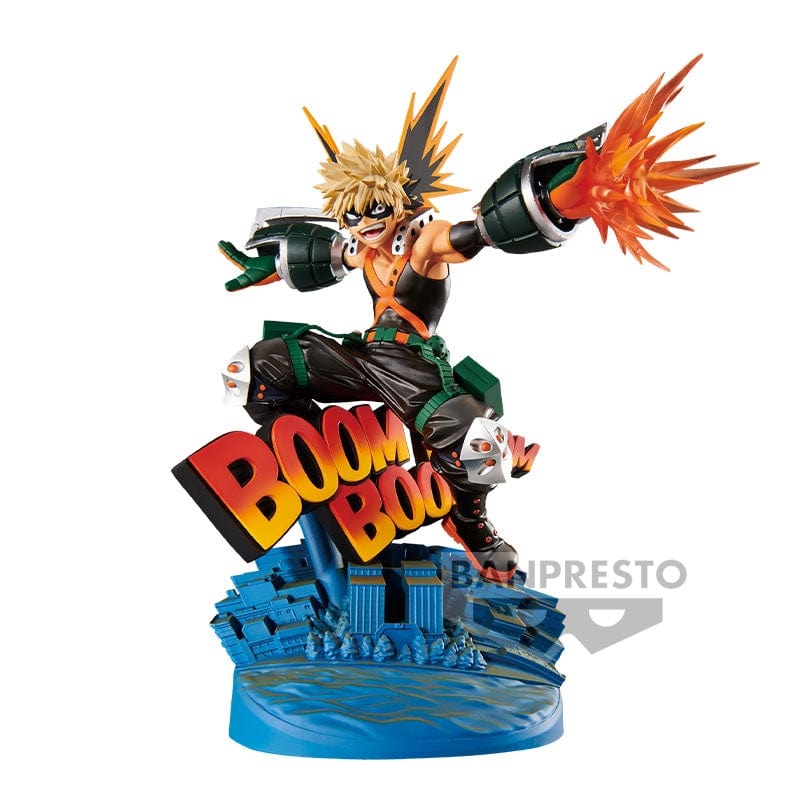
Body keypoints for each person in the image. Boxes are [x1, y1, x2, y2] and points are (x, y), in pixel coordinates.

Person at [217, 56, 752, 582]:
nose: (364, 224)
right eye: (352, 214)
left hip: (415, 371)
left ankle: (470, 524)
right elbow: (319, 254)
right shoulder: (360, 248)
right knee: (253, 369)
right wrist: (271, 264)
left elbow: (480, 233)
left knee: (481, 448)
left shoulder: (423, 242)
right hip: (361, 358)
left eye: (374, 210)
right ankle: (314, 457)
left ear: (398, 203)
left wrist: (568, 196)